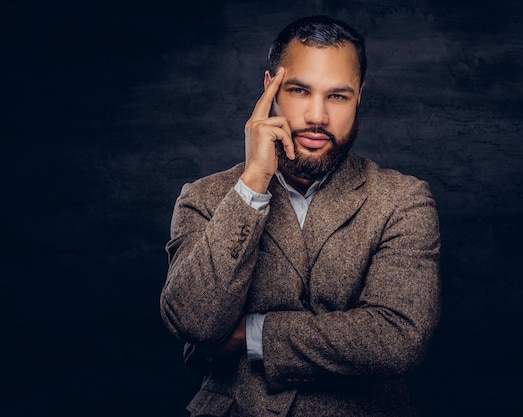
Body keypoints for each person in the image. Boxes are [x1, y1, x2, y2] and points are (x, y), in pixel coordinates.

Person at [160, 15, 441, 417]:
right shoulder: (206, 197)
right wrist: (254, 181)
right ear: (269, 88)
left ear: (359, 96)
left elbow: (399, 338)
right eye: (299, 90)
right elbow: (193, 322)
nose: (317, 116)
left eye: (338, 96)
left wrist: (250, 334)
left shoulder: (403, 199)